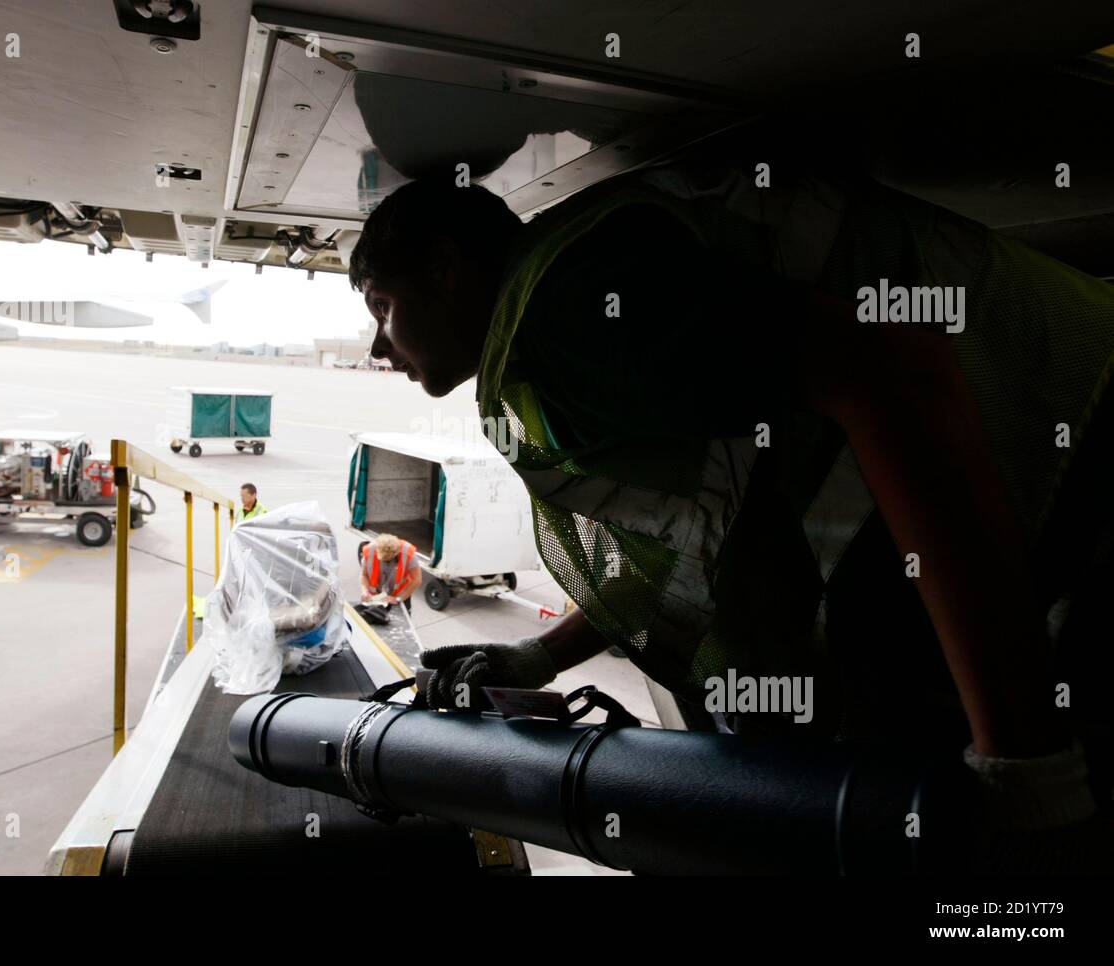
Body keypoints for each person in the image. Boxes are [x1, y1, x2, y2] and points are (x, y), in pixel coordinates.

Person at [347, 163, 1114, 872]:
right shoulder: (555, 322)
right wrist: (541, 657)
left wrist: (1023, 758)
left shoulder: (565, 320)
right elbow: (700, 544)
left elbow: (891, 370)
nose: (381, 345)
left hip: (1075, 446)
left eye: (383, 307)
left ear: (445, 270)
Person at [359, 533, 422, 613]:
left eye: (388, 559)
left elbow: (417, 579)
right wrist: (365, 591)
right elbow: (364, 575)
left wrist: (398, 598)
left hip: (400, 594)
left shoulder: (408, 552)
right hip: (375, 597)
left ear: (396, 552)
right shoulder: (369, 551)